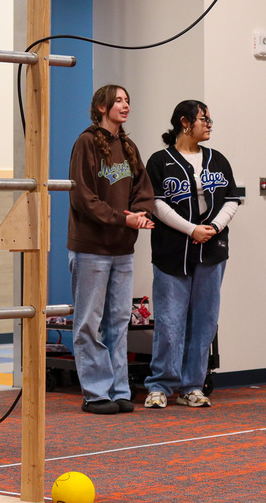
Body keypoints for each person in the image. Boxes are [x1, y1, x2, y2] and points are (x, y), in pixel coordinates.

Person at [143, 100, 240, 409]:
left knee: (205, 322)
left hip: (212, 251)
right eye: (204, 119)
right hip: (173, 252)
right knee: (170, 322)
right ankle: (160, 385)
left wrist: (213, 225)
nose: (209, 124)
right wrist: (190, 229)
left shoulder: (218, 160)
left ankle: (192, 386)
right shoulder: (160, 161)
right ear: (185, 122)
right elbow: (156, 204)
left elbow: (233, 199)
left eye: (210, 119)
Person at [67, 84, 154, 415]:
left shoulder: (129, 146)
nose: (125, 105)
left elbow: (143, 189)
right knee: (89, 321)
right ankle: (95, 391)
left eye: (128, 100)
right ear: (102, 107)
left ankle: (119, 389)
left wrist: (140, 214)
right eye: (118, 100)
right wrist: (122, 219)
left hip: (123, 249)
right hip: (91, 248)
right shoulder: (86, 143)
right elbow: (83, 197)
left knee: (118, 320)